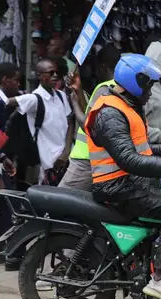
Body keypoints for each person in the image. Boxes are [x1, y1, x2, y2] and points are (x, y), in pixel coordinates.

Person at [84, 53, 161, 299]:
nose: (151, 91)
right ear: (134, 81)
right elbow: (129, 160)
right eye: (148, 85)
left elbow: (140, 149)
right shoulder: (110, 114)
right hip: (115, 187)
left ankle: (151, 289)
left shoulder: (126, 105)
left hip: (129, 183)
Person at [60, 44, 120, 192]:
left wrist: (74, 102)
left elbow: (88, 124)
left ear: (103, 66)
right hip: (103, 159)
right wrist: (78, 90)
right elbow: (91, 113)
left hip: (86, 160)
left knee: (59, 200)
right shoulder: (120, 87)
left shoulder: (104, 89)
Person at [7, 58, 73, 186]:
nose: (55, 76)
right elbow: (6, 101)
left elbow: (70, 123)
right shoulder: (34, 99)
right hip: (48, 165)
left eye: (56, 73)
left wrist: (66, 152)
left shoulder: (61, 96)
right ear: (40, 76)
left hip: (66, 160)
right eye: (50, 72)